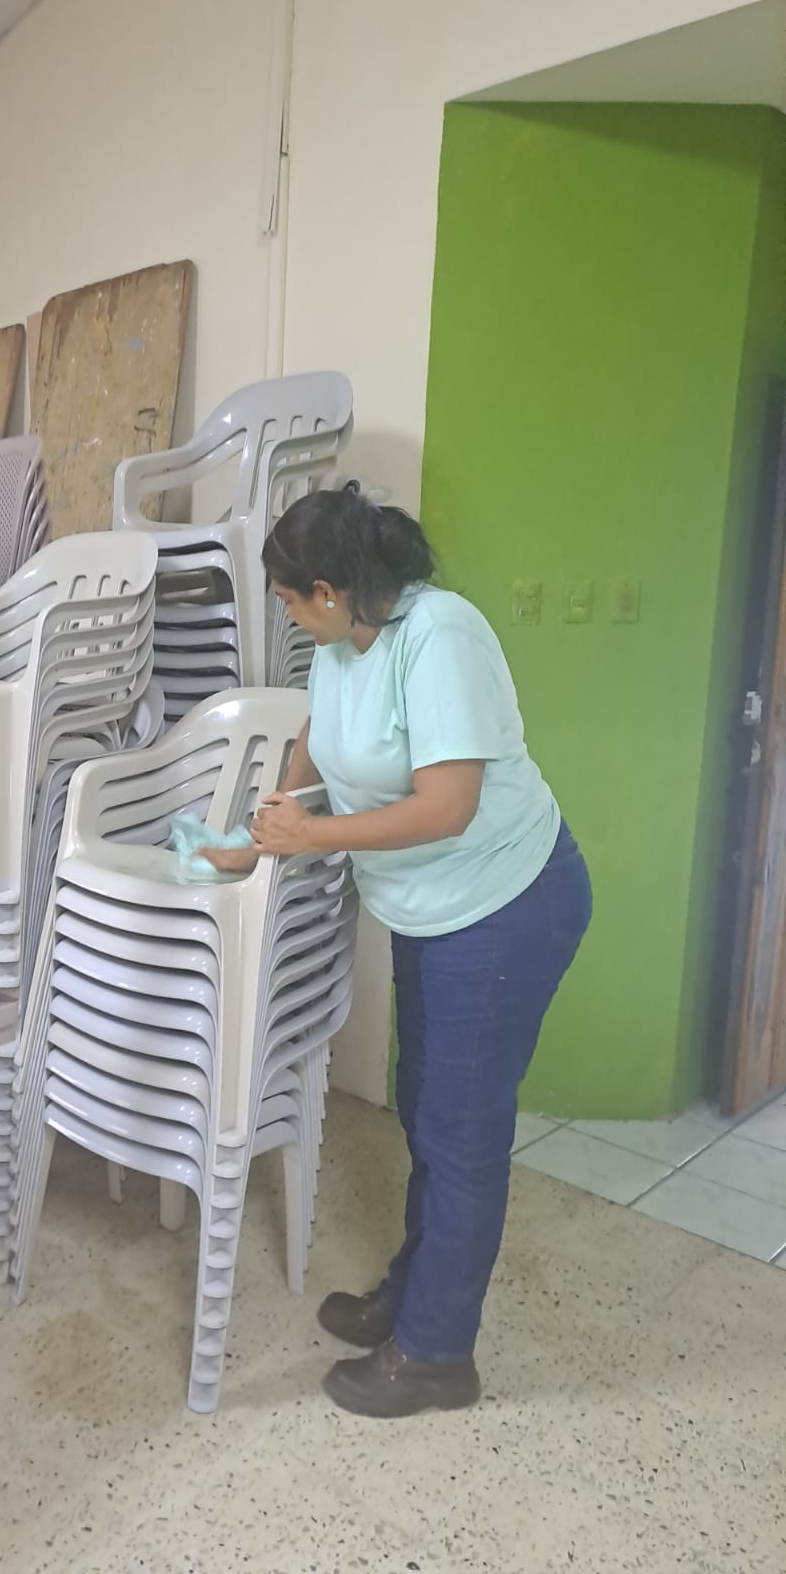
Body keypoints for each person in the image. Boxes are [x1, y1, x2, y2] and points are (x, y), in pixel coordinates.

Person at [244, 484, 591, 1420]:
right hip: (432, 913)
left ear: (329, 590)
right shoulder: (340, 642)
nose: (287, 614)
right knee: (426, 1104)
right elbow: (317, 741)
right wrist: (264, 827)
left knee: (460, 1128)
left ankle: (439, 1354)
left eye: (289, 599)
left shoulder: (441, 636)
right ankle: (415, 1294)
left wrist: (312, 839)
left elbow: (448, 806)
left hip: (507, 904)